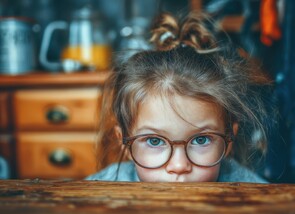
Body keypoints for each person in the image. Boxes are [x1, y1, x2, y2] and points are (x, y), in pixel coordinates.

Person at [86, 12, 272, 183]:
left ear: (229, 139)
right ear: (125, 143)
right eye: (154, 141)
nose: (179, 166)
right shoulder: (97, 193)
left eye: (201, 140)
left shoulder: (256, 195)